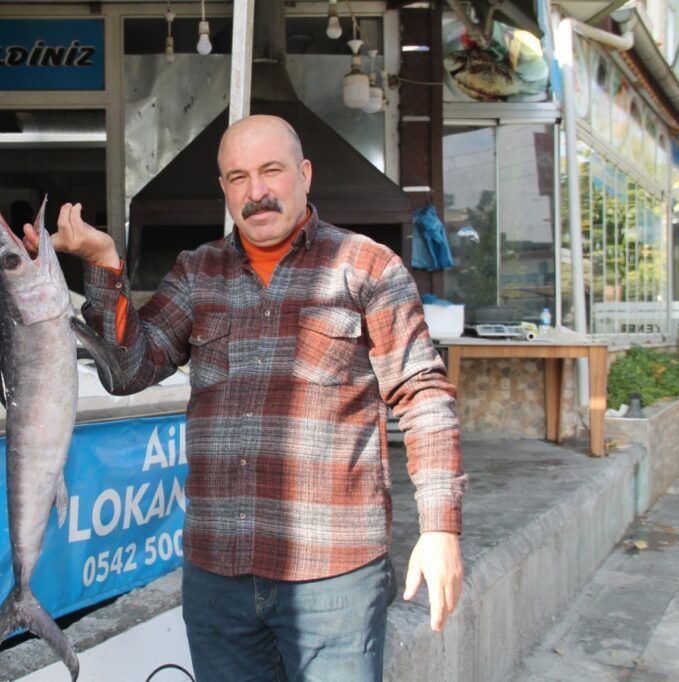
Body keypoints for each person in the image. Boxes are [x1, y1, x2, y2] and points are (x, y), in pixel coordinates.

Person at [25, 114, 467, 681]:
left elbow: (422, 392)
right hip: (219, 577)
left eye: (271, 171)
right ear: (224, 190)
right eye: (238, 177)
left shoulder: (368, 267)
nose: (256, 192)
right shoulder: (196, 271)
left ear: (304, 174)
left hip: (333, 576)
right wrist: (102, 263)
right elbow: (129, 368)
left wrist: (440, 528)